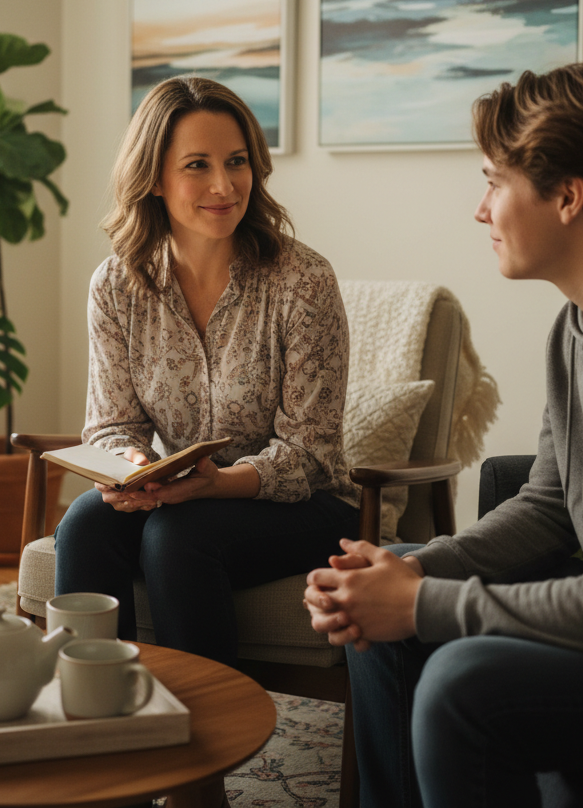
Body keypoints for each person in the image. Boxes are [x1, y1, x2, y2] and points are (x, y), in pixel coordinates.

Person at [303, 61, 583, 808]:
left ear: (568, 197)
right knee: (392, 593)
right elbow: (548, 506)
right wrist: (407, 574)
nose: (481, 211)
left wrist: (422, 602)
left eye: (494, 182)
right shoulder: (577, 326)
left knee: (459, 681)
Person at [55, 75, 360, 668]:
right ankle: (93, 704)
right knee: (88, 520)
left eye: (237, 162)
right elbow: (112, 425)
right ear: (154, 178)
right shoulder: (117, 285)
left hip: (305, 505)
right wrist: (132, 467)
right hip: (184, 495)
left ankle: (205, 720)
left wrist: (217, 483)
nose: (224, 185)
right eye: (198, 165)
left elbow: (311, 454)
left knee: (179, 536)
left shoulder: (303, 282)